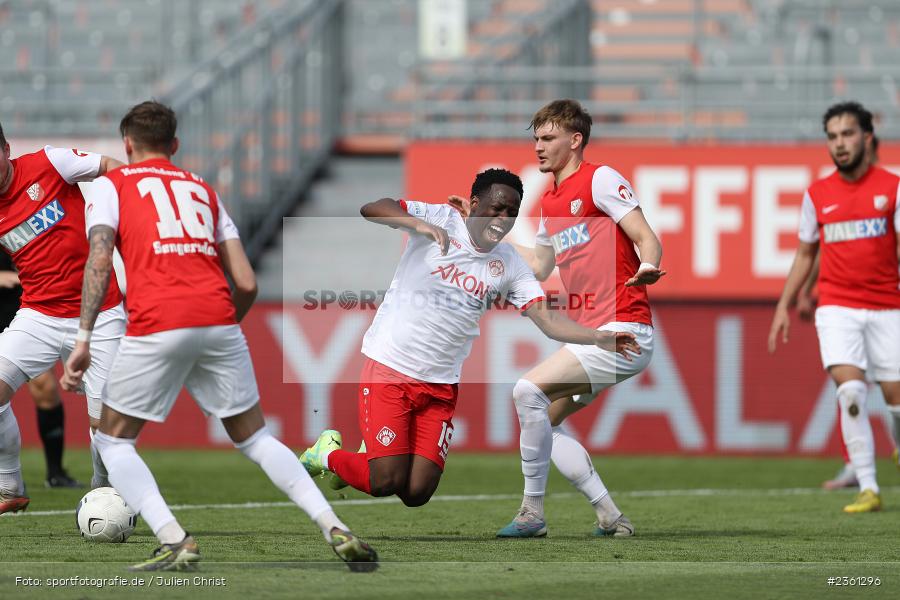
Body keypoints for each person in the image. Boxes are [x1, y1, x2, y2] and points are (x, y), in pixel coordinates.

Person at [62, 101, 377, 572]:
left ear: (126, 145)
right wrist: (224, 328)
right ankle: (333, 524)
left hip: (156, 323)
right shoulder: (204, 190)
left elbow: (100, 259)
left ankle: (174, 538)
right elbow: (247, 282)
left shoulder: (111, 185)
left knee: (113, 441)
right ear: (175, 145)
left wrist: (84, 336)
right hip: (218, 319)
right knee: (255, 439)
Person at [298, 168, 640, 511]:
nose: (503, 218)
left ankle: (359, 458)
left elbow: (547, 320)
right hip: (391, 368)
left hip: (441, 385)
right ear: (475, 204)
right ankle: (326, 453)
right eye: (497, 208)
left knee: (416, 493)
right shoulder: (440, 219)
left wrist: (599, 337)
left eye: (512, 213)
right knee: (385, 480)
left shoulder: (509, 263)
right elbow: (372, 207)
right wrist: (417, 224)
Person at [478, 99, 665, 539]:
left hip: (623, 330)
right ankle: (610, 517)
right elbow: (542, 266)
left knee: (526, 391)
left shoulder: (599, 179)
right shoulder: (550, 201)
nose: (538, 148)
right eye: (536, 139)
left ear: (575, 140)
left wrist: (649, 265)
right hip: (594, 336)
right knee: (545, 422)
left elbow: (646, 237)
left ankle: (531, 513)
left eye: (548, 138)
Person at [769, 101, 900, 513]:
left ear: (867, 137)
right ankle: (868, 487)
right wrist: (784, 304)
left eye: (847, 134)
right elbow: (806, 254)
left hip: (888, 307)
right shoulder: (817, 194)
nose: (839, 144)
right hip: (837, 306)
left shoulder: (892, 188)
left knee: (896, 401)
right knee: (852, 392)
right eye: (832, 136)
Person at [0, 123, 124, 515]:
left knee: (104, 425)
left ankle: (103, 492)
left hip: (100, 312)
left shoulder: (49, 162)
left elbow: (111, 166)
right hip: (39, 313)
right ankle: (8, 486)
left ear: (5, 149)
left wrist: (131, 209)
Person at [0, 255, 82, 488]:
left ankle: (55, 473)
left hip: (22, 312)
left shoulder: (32, 223)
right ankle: (8, 478)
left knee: (45, 388)